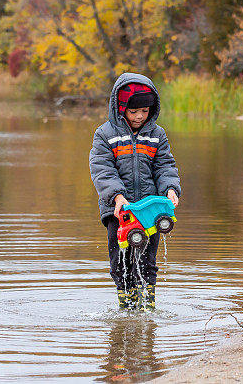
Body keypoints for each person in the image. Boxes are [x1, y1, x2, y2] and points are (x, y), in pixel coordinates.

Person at [89, 72, 181, 310]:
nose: (140, 116)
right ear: (120, 107)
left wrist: (170, 189)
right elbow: (102, 170)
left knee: (148, 261)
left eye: (145, 111)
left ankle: (147, 307)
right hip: (118, 210)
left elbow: (165, 166)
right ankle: (126, 308)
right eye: (134, 112)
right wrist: (117, 196)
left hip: (149, 209)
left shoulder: (156, 135)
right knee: (120, 263)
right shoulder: (105, 135)